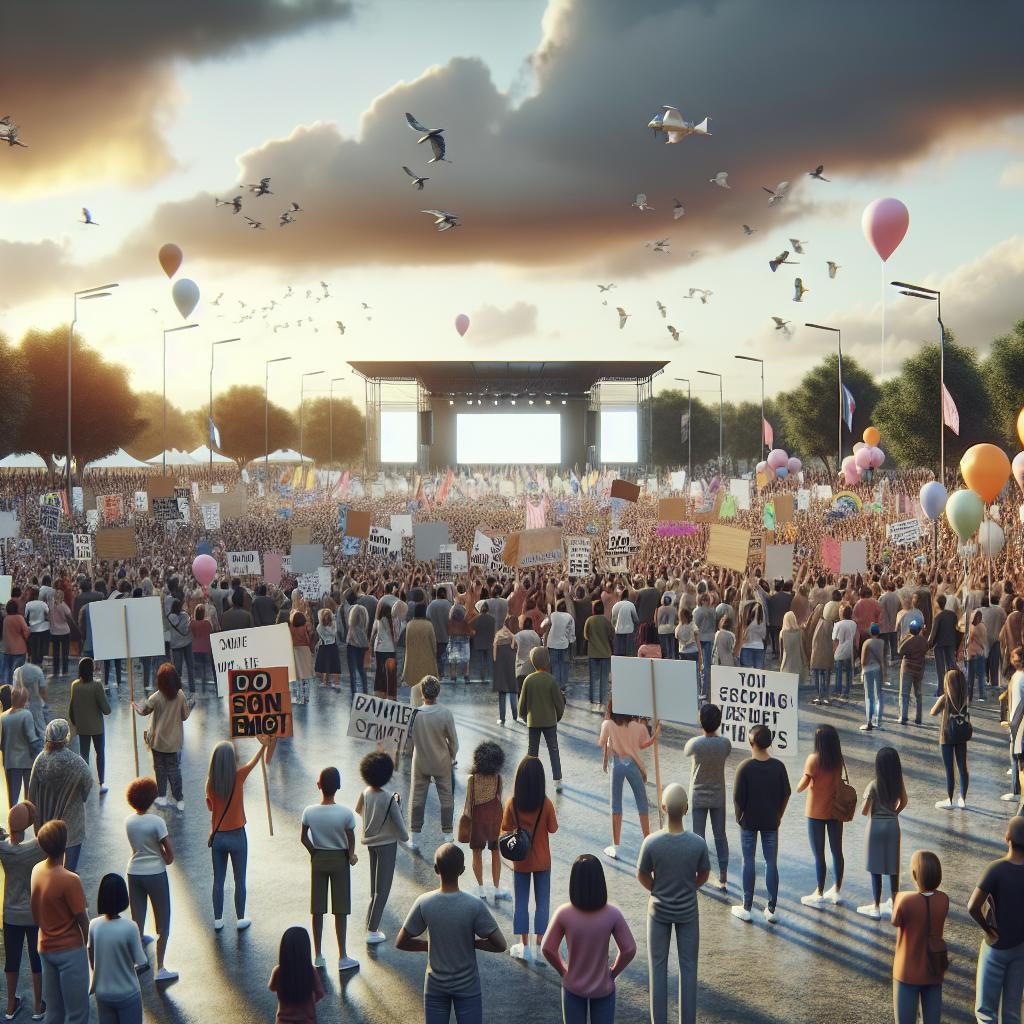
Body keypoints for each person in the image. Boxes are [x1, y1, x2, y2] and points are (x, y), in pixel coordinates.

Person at [396, 843, 506, 1024]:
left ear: (436, 869)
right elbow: (500, 944)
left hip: (435, 987)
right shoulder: (474, 905)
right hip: (468, 987)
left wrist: (427, 946)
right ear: (462, 870)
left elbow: (401, 941)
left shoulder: (424, 902)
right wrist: (473, 943)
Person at [636, 784, 710, 1024]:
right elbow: (704, 874)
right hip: (688, 912)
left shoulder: (651, 842)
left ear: (664, 807)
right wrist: (690, 887)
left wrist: (656, 889)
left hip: (658, 912)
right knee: (688, 969)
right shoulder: (698, 843)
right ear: (687, 808)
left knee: (657, 968)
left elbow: (642, 874)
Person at [542, 854, 636, 1024]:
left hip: (573, 986)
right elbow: (629, 949)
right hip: (603, 987)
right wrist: (613, 972)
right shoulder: (612, 914)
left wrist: (563, 970)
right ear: (601, 883)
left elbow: (548, 948)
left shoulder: (564, 913)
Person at [205, 737, 271, 931]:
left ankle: (218, 919)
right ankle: (241, 917)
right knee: (239, 879)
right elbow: (254, 762)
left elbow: (210, 807)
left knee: (218, 880)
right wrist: (263, 747)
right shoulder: (239, 776)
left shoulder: (210, 783)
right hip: (237, 835)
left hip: (218, 837)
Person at [300, 766, 359, 972]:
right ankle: (342, 955)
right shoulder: (345, 813)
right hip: (340, 860)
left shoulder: (309, 812)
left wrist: (313, 852)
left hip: (319, 859)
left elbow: (303, 837)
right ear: (339, 787)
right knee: (340, 909)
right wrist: (351, 854)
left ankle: (318, 954)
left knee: (318, 909)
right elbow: (350, 836)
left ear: (319, 786)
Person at [31, 821, 89, 1024]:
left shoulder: (37, 870)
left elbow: (35, 911)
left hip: (45, 948)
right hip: (70, 951)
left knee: (54, 1012)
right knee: (77, 1014)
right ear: (64, 844)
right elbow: (82, 918)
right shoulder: (69, 879)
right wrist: (89, 949)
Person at [732, 724, 791, 923]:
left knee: (748, 860)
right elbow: (786, 793)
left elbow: (738, 798)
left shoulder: (745, 767)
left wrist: (739, 818)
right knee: (771, 862)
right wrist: (779, 815)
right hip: (771, 821)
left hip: (748, 821)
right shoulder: (778, 766)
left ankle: (746, 906)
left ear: (752, 743)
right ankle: (771, 908)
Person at [968, 815, 1024, 1024]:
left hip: (996, 947)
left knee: (986, 1011)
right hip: (1020, 948)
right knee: (1012, 1012)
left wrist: (987, 929)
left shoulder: (996, 869)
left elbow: (972, 906)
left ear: (1007, 837)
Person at [502, 755, 558, 962]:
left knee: (521, 902)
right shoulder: (546, 804)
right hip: (543, 861)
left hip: (521, 861)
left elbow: (505, 829)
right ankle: (541, 944)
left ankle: (524, 945)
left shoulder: (512, 803)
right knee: (542, 903)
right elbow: (553, 828)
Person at [124, 776, 176, 982]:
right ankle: (160, 967)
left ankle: (139, 960)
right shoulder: (157, 822)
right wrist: (163, 857)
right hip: (155, 873)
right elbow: (169, 853)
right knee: (163, 919)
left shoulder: (129, 821)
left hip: (133, 871)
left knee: (137, 917)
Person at [889, 849, 949, 1024]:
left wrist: (899, 895)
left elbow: (895, 921)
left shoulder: (906, 900)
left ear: (915, 875)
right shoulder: (943, 899)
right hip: (933, 969)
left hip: (907, 971)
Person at [355, 751, 408, 945]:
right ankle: (372, 929)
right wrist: (398, 807)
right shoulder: (389, 798)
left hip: (370, 844)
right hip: (387, 845)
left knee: (374, 887)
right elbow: (402, 830)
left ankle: (370, 921)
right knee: (383, 889)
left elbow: (358, 810)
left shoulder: (365, 792)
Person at [597, 700, 659, 860]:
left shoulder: (608, 724)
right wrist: (657, 731)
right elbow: (645, 744)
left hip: (616, 764)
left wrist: (605, 760)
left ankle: (615, 845)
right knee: (642, 802)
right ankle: (648, 840)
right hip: (632, 765)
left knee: (616, 804)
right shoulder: (636, 726)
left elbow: (603, 743)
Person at [0, 802, 45, 1020]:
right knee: (36, 960)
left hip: (10, 912)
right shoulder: (36, 848)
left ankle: (10, 1005)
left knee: (12, 960)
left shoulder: (4, 849)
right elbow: (49, 835)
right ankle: (38, 1005)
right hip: (34, 912)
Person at [28, 720, 91, 873]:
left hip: (46, 829)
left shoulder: (40, 761)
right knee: (68, 873)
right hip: (71, 830)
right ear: (66, 737)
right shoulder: (78, 763)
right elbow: (87, 787)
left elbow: (31, 795)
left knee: (48, 874)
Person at [683, 703, 731, 891]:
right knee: (720, 835)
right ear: (719, 722)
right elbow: (726, 750)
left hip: (698, 794)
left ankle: (698, 874)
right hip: (718, 794)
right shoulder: (725, 744)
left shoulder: (695, 744)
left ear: (701, 721)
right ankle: (723, 874)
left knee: (698, 836)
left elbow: (686, 750)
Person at [88, 873, 148, 1023]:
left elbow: (91, 954)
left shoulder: (94, 925)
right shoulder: (130, 927)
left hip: (103, 992)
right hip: (127, 993)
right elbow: (141, 961)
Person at [407, 677, 459, 852]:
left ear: (421, 693)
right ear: (438, 692)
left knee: (417, 798)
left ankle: (415, 836)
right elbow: (453, 741)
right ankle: (447, 834)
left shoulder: (415, 714)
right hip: (441, 760)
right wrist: (452, 755)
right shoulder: (445, 713)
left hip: (420, 760)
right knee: (446, 797)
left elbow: (408, 740)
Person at [797, 724, 846, 908]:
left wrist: (797, 785)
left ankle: (818, 891)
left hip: (815, 812)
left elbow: (802, 786)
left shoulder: (813, 760)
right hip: (835, 811)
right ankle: (837, 889)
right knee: (837, 851)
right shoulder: (837, 760)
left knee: (819, 854)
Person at [132, 663, 192, 810]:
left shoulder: (156, 697)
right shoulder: (180, 695)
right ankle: (179, 799)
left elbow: (143, 711)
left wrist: (135, 706)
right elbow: (184, 717)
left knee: (159, 769)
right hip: (174, 742)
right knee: (174, 770)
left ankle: (162, 797)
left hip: (158, 742)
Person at [857, 747, 908, 920]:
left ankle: (876, 907)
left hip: (875, 828)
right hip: (893, 826)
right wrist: (894, 813)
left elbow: (864, 811)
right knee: (894, 868)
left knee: (875, 868)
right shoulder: (898, 783)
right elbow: (904, 801)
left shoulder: (873, 784)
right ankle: (895, 905)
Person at [462, 741, 510, 901]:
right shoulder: (498, 778)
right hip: (495, 818)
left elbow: (468, 803)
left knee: (477, 853)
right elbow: (499, 799)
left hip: (477, 819)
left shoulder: (473, 779)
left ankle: (481, 890)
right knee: (496, 853)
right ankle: (497, 889)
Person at [518, 647, 565, 793]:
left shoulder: (528, 680)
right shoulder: (551, 680)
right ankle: (557, 779)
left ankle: (532, 779)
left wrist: (525, 717)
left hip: (533, 721)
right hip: (550, 722)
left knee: (532, 752)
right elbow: (559, 703)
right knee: (553, 750)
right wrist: (557, 717)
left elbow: (522, 704)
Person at [67, 657, 110, 795]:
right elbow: (106, 710)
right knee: (100, 754)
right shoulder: (96, 686)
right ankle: (101, 782)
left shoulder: (75, 685)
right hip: (97, 727)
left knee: (84, 755)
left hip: (82, 726)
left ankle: (84, 782)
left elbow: (71, 707)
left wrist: (75, 722)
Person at [930, 667, 971, 810]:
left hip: (946, 736)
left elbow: (933, 712)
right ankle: (963, 799)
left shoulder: (945, 699)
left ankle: (950, 799)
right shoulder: (965, 698)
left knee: (949, 769)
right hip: (961, 736)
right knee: (962, 767)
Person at [269, 926, 325, 1024]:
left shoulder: (278, 971)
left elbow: (272, 987)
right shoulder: (310, 971)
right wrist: (311, 1000)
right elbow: (320, 993)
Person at [1, 685, 41, 806]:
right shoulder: (26, 715)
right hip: (27, 761)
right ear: (24, 700)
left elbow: (1, 743)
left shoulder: (2, 717)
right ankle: (30, 819)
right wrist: (40, 753)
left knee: (12, 798)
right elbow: (32, 738)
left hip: (10, 762)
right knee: (30, 796)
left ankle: (13, 821)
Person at [927, 594, 961, 696]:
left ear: (937, 604)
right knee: (951, 665)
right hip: (951, 643)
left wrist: (928, 646)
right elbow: (956, 629)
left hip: (939, 645)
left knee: (940, 668)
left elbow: (933, 634)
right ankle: (953, 688)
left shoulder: (938, 617)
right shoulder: (952, 615)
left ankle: (941, 690)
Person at [584, 602, 614, 712]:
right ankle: (603, 702)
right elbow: (612, 634)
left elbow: (586, 636)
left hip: (593, 653)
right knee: (604, 679)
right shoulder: (606, 620)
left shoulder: (589, 620)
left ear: (593, 610)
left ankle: (593, 701)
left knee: (593, 678)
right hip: (605, 653)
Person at [897, 620, 928, 725]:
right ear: (919, 630)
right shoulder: (923, 641)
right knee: (918, 695)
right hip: (919, 669)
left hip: (907, 669)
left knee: (904, 694)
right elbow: (926, 649)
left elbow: (900, 650)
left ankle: (903, 717)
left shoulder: (908, 640)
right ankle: (918, 718)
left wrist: (906, 637)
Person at [492, 616, 519, 726]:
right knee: (513, 691)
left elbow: (494, 655)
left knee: (502, 693)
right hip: (512, 667)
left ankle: (502, 718)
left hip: (500, 667)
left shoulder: (498, 635)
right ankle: (515, 716)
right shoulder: (515, 636)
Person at [165, 600, 195, 694]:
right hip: (187, 642)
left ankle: (178, 688)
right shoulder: (185, 615)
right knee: (190, 666)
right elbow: (188, 628)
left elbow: (166, 629)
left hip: (176, 644)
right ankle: (192, 688)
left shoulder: (169, 617)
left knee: (177, 668)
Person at [543, 600, 575, 689]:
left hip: (552, 644)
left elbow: (543, 625)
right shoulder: (569, 617)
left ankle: (555, 686)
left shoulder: (552, 615)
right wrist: (571, 644)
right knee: (564, 665)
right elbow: (571, 633)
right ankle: (562, 686)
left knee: (555, 665)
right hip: (564, 645)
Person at [831, 605, 857, 701]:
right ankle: (846, 690)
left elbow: (835, 640)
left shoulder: (838, 624)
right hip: (849, 650)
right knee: (848, 672)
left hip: (839, 650)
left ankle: (838, 690)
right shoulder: (854, 624)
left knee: (838, 672)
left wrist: (833, 651)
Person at [290, 610, 315, 705]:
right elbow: (309, 640)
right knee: (306, 676)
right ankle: (306, 697)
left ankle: (297, 697)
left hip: (295, 650)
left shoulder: (291, 628)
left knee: (297, 676)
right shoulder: (305, 628)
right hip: (305, 651)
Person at [345, 600, 369, 696]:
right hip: (362, 645)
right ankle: (365, 691)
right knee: (361, 669)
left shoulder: (352, 628)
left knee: (352, 671)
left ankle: (353, 692)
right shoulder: (363, 627)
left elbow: (349, 639)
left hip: (352, 645)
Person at [314, 608, 342, 690]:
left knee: (324, 665)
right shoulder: (334, 625)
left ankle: (324, 682)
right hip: (333, 645)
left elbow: (321, 638)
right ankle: (336, 683)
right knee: (335, 664)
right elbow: (334, 634)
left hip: (324, 646)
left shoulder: (319, 627)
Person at [2, 601, 29, 685]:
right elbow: (26, 632)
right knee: (18, 674)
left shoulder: (6, 619)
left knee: (7, 672)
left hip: (8, 649)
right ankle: (16, 692)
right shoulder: (19, 618)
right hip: (19, 649)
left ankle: (7, 690)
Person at [446, 605, 474, 685]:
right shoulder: (465, 622)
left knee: (453, 659)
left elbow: (448, 631)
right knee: (466, 659)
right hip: (464, 641)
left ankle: (453, 676)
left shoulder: (451, 622)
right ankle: (466, 676)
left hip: (453, 641)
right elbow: (470, 632)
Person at [48, 591, 74, 679]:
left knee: (55, 653)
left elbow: (48, 617)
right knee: (65, 653)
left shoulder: (50, 606)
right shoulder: (64, 606)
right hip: (65, 631)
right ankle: (65, 671)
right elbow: (69, 616)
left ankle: (55, 672)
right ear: (62, 597)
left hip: (54, 632)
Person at [190, 605, 215, 693]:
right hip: (205, 648)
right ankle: (204, 687)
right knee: (205, 668)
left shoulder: (192, 623)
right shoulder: (207, 623)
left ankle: (196, 687)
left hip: (195, 648)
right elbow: (211, 631)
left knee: (196, 668)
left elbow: (191, 633)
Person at [469, 602, 495, 685]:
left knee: (481, 661)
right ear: (488, 609)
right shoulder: (492, 619)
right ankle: (491, 677)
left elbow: (470, 626)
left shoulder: (477, 619)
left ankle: (482, 677)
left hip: (479, 642)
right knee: (489, 661)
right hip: (489, 642)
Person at [966, 608, 989, 702]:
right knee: (980, 676)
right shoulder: (983, 626)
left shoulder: (974, 627)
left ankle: (969, 695)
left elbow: (970, 639)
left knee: (970, 677)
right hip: (980, 653)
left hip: (973, 653)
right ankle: (981, 695)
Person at [610, 589, 639, 657]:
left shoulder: (615, 605)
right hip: (629, 631)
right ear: (628, 597)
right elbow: (636, 619)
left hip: (617, 631)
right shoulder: (631, 605)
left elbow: (612, 620)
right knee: (629, 654)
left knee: (618, 654)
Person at [778, 610, 805, 681]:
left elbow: (781, 650)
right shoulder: (800, 632)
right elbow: (802, 648)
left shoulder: (782, 633)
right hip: (798, 665)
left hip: (786, 665)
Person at [738, 603, 767, 669]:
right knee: (758, 673)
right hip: (759, 646)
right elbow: (764, 635)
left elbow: (743, 636)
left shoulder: (746, 622)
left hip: (746, 646)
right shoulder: (761, 621)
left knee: (747, 671)